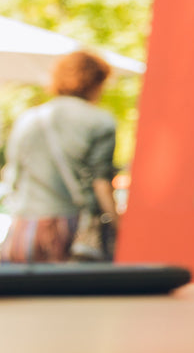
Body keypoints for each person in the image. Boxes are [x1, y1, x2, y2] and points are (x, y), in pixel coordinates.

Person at [0, 49, 119, 263]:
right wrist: (117, 223)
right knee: (66, 283)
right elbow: (100, 183)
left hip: (25, 226)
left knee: (21, 283)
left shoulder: (28, 118)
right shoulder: (100, 122)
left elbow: (12, 174)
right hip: (72, 227)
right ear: (96, 82)